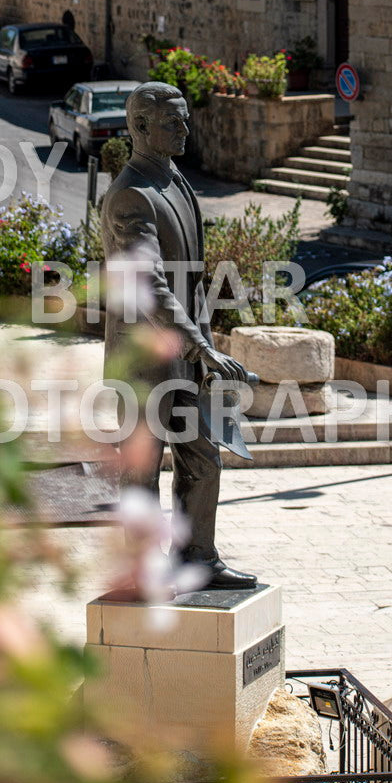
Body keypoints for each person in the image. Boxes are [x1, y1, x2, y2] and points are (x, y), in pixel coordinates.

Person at [100, 81, 256, 590]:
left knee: (203, 460)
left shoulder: (175, 181)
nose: (186, 128)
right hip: (145, 361)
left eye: (185, 118)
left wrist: (199, 346)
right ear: (140, 127)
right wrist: (202, 346)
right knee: (142, 471)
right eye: (174, 122)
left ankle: (197, 558)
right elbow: (149, 285)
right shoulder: (130, 195)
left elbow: (191, 280)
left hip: (187, 359)